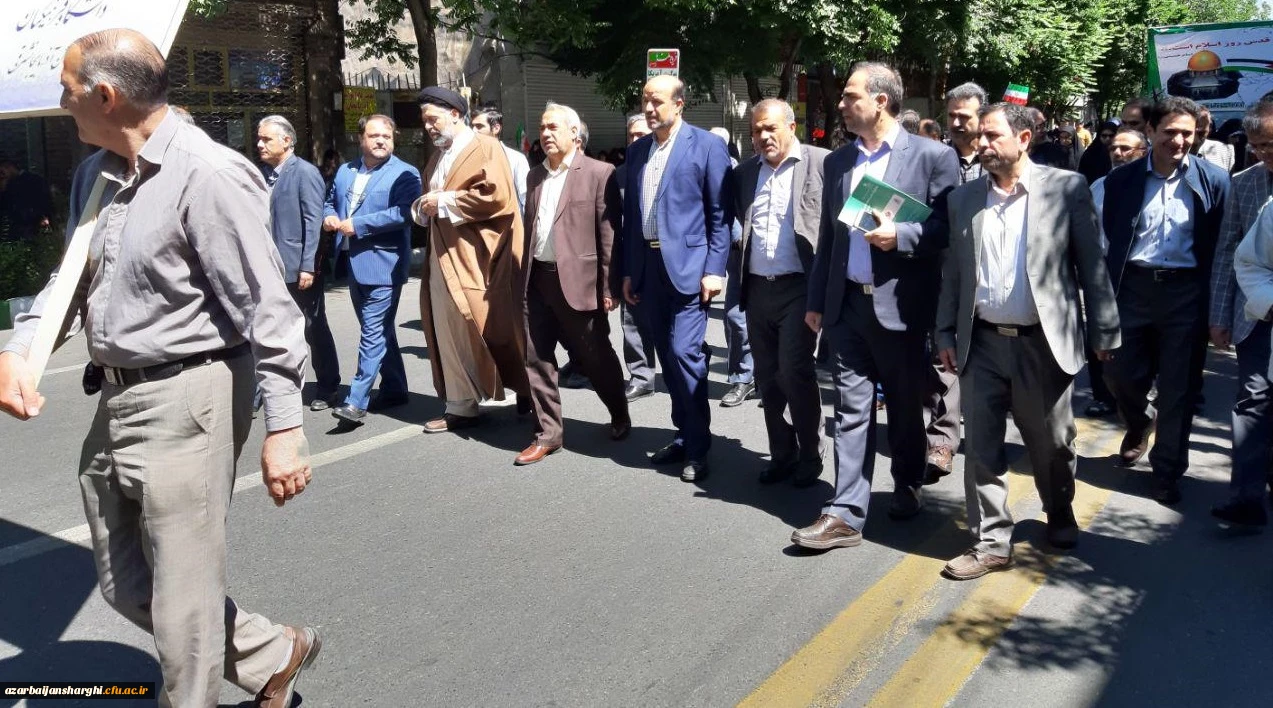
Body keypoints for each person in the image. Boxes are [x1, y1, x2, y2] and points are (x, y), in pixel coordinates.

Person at [0, 29, 319, 708]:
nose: (60, 100)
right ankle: (273, 654)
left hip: (191, 393)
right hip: (117, 397)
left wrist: (285, 427)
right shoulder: (95, 173)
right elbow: (70, 284)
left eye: (66, 88)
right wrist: (18, 351)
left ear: (105, 96)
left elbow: (269, 308)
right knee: (122, 580)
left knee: (183, 603)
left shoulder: (209, 174)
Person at [935, 102, 1120, 579]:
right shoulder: (964, 199)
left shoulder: (1066, 189)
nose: (982, 144)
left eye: (992, 135)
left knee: (1053, 443)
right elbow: (953, 273)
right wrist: (944, 331)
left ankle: (1059, 509)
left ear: (1023, 139)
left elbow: (1091, 265)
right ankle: (992, 540)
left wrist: (1104, 329)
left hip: (1042, 344)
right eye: (979, 136)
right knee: (981, 446)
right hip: (981, 342)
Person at [792, 61, 959, 550]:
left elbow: (947, 229)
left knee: (905, 408)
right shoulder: (838, 162)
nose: (841, 104)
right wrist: (818, 301)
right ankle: (845, 512)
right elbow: (829, 239)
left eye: (850, 96)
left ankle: (907, 482)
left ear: (881, 101)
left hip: (901, 309)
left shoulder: (933, 157)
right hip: (847, 306)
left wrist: (901, 235)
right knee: (849, 409)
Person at [1101, 96, 1230, 505]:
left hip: (1186, 294)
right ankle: (1140, 422)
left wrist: (1218, 309)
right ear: (1150, 131)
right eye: (1170, 132)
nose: (1179, 141)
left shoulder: (1214, 180)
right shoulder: (1121, 181)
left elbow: (1221, 246)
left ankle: (1167, 470)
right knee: (1119, 375)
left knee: (1179, 388)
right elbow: (1112, 238)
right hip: (1132, 289)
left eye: (1187, 134)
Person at [621, 74, 734, 483]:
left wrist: (714, 270)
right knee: (667, 358)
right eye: (645, 101)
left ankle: (699, 447)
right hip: (648, 269)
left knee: (685, 354)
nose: (649, 109)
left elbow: (720, 215)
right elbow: (631, 217)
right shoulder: (638, 152)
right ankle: (684, 435)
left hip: (689, 268)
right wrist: (629, 271)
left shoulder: (706, 146)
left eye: (657, 101)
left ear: (679, 104)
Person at [515, 102, 631, 464]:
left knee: (595, 357)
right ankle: (548, 433)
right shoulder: (535, 176)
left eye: (553, 127)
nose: (545, 134)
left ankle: (619, 411)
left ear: (574, 133)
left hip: (580, 283)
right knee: (536, 357)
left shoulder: (599, 173)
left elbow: (608, 235)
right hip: (537, 280)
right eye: (542, 127)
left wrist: (608, 287)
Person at [413, 86, 532, 432]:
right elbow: (430, 196)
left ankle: (530, 390)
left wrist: (444, 202)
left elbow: (496, 196)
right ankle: (460, 406)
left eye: (432, 119)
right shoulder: (438, 156)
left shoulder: (485, 147)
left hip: (478, 257)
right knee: (448, 329)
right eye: (424, 121)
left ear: (454, 114)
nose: (428, 127)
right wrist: (424, 207)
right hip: (442, 255)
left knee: (493, 326)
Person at [733, 98, 830, 485]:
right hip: (757, 288)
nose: (763, 136)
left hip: (800, 288)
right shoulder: (745, 174)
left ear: (792, 127)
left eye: (770, 128)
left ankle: (810, 452)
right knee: (768, 377)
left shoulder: (822, 163)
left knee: (794, 370)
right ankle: (782, 454)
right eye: (756, 130)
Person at [323, 114, 420, 424]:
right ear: (360, 138)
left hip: (385, 265)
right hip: (352, 263)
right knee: (380, 330)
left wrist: (359, 225)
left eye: (387, 137)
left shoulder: (405, 173)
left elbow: (405, 213)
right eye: (374, 135)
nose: (381, 141)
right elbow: (329, 200)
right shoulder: (345, 171)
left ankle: (356, 401)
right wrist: (329, 216)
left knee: (372, 332)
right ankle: (395, 388)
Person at [1209, 100, 1273, 528]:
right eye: (1257, 146)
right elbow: (1228, 250)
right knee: (1253, 401)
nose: (1264, 154)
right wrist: (1219, 315)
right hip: (1257, 316)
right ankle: (1246, 499)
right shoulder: (1244, 183)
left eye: (1271, 144)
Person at [924, 80, 987, 484]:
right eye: (952, 116)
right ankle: (942, 440)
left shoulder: (997, 158)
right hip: (944, 273)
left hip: (992, 279)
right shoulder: (936, 159)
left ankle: (987, 432)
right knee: (943, 355)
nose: (957, 123)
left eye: (965, 116)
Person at [257, 115, 341, 411]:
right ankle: (265, 389)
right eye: (259, 138)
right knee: (267, 328)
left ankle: (328, 386)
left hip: (298, 268)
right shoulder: (264, 174)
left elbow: (313, 222)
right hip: (269, 267)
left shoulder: (304, 172)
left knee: (313, 328)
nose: (259, 144)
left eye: (266, 139)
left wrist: (308, 266)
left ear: (286, 140)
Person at [1085, 127, 1147, 418]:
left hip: (1135, 273)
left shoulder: (1151, 185)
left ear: (1143, 153)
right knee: (1099, 335)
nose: (1118, 154)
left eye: (1126, 149)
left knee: (1135, 339)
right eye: (1113, 149)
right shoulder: (1099, 185)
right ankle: (1103, 396)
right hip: (1101, 269)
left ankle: (1139, 399)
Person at [615, 113, 661, 401]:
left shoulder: (668, 165)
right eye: (631, 135)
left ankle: (695, 358)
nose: (635, 140)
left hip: (667, 257)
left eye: (641, 134)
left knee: (673, 322)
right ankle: (642, 376)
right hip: (633, 255)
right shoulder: (620, 174)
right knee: (632, 319)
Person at [710, 125, 755, 407]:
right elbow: (725, 209)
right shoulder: (739, 172)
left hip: (784, 264)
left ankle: (771, 381)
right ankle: (743, 378)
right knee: (736, 318)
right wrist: (737, 237)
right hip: (741, 255)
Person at [472, 105, 530, 212]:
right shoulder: (470, 159)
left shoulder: (516, 159)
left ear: (496, 128)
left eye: (479, 126)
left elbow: (526, 199)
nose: (474, 131)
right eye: (473, 126)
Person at [1079, 98, 1151, 184]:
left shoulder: (1159, 156)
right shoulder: (1100, 182)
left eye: (1134, 123)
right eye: (1124, 123)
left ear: (1149, 124)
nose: (1127, 128)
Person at [0, 158, 53, 241]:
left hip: (32, 224)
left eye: (2, 172)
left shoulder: (34, 180)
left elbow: (44, 202)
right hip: (16, 227)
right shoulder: (7, 184)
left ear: (9, 167)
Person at [1193, 106, 1235, 172]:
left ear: (1210, 127)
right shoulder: (1176, 150)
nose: (1197, 129)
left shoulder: (1224, 150)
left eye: (1201, 133)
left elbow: (1228, 177)